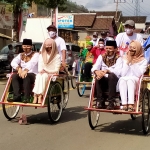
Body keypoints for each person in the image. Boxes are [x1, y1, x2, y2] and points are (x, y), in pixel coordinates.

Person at [91, 40, 122, 110]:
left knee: (111, 76)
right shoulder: (101, 57)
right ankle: (100, 101)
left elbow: (119, 71)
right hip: (103, 79)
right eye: (107, 48)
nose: (108, 50)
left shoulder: (119, 58)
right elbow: (95, 67)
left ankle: (111, 102)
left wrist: (108, 71)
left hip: (114, 80)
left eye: (110, 49)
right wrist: (96, 71)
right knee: (98, 76)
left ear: (115, 49)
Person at [117, 40, 147, 111]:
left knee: (130, 80)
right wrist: (127, 62)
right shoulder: (124, 58)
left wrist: (133, 62)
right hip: (125, 78)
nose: (131, 49)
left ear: (138, 49)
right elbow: (122, 74)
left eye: (134, 48)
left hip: (136, 79)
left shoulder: (143, 60)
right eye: (130, 47)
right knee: (122, 79)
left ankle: (131, 104)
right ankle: (124, 103)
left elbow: (138, 74)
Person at [32, 38, 61, 104]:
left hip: (52, 74)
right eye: (46, 47)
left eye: (50, 47)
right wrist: (42, 71)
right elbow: (40, 68)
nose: (48, 48)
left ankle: (40, 95)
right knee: (38, 76)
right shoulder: (41, 56)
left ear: (53, 47)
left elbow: (56, 70)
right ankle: (36, 95)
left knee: (44, 76)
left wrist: (47, 71)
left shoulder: (57, 56)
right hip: (42, 73)